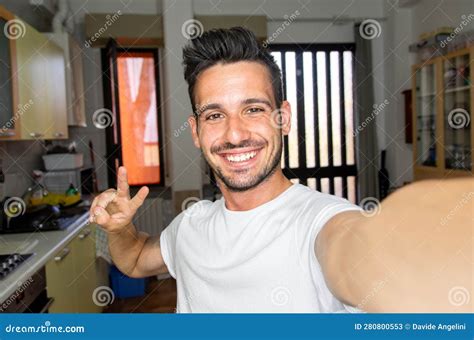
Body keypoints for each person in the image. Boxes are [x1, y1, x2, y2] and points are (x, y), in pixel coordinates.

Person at [89, 27, 473, 313]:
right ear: (195, 131)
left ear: (282, 118)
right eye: (214, 115)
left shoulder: (324, 222)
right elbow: (136, 259)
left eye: (253, 109)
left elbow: (359, 253)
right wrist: (121, 228)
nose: (235, 134)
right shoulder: (192, 225)